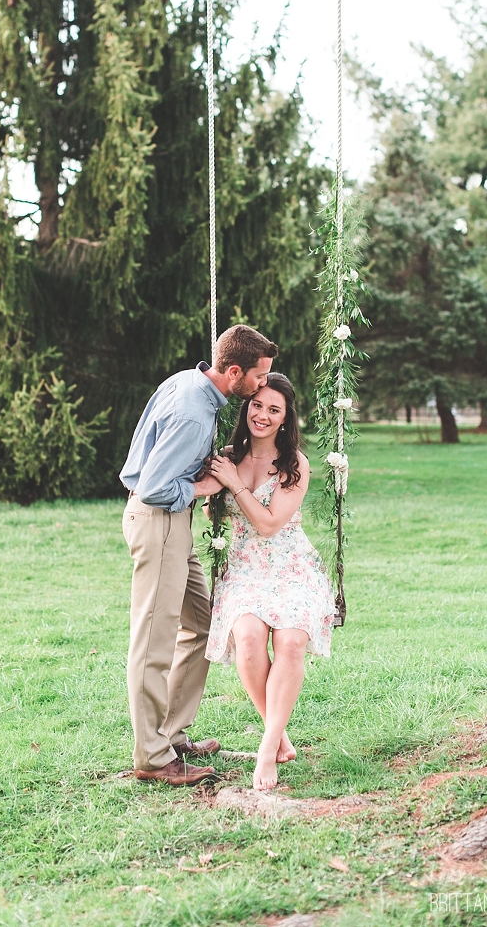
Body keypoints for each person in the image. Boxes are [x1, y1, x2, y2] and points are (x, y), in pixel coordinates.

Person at [119, 325, 279, 785]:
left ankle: (170, 735)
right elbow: (152, 487)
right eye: (259, 377)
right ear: (234, 372)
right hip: (158, 523)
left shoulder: (191, 384)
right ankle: (152, 757)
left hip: (174, 527)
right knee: (153, 642)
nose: (262, 385)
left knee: (205, 626)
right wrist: (208, 485)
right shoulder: (194, 411)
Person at [205, 373, 334, 790]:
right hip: (244, 570)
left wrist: (234, 484)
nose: (262, 415)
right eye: (257, 405)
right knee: (247, 639)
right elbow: (212, 513)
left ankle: (267, 749)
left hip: (290, 566)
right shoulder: (226, 456)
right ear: (246, 407)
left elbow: (268, 523)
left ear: (284, 419)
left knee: (292, 641)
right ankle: (279, 737)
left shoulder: (294, 463)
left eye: (273, 410)